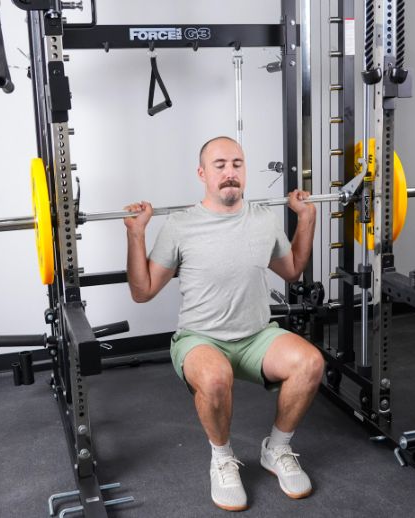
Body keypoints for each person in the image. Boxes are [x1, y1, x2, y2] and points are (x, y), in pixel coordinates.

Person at [124, 136, 325, 512]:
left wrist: (307, 219)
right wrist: (136, 235)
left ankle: (277, 450)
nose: (230, 173)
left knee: (310, 363)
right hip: (200, 339)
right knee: (216, 378)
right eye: (220, 165)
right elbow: (143, 291)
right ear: (202, 174)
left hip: (257, 337)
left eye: (237, 164)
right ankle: (221, 457)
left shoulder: (263, 219)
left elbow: (293, 269)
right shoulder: (181, 225)